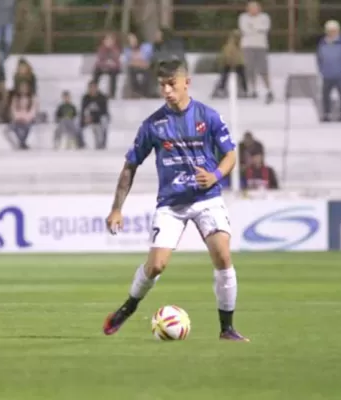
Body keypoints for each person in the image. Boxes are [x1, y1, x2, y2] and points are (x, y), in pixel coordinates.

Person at [103, 59, 248, 342]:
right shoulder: (153, 125)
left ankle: (227, 329)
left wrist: (216, 175)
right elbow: (130, 165)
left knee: (223, 256)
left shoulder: (209, 116)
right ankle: (128, 307)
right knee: (156, 266)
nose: (167, 91)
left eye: (172, 84)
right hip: (171, 203)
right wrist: (117, 209)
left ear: (186, 83)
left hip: (207, 198)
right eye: (162, 86)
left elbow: (231, 154)